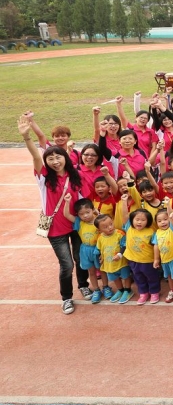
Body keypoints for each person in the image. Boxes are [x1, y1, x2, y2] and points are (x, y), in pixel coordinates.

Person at [19, 114, 90, 315]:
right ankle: (66, 298)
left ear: (65, 158)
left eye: (58, 156)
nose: (55, 160)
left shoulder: (75, 176)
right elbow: (35, 155)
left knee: (80, 258)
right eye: (50, 158)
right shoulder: (43, 178)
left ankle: (83, 285)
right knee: (66, 265)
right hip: (54, 228)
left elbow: (83, 199)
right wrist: (26, 137)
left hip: (75, 225)